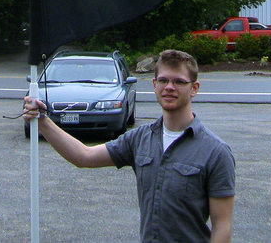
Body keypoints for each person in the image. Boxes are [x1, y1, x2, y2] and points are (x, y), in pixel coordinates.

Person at [23, 48, 235, 243]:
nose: (169, 87)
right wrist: (43, 120)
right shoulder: (140, 139)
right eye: (163, 80)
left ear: (194, 88)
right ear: (154, 85)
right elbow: (84, 156)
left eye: (179, 82)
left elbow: (222, 226)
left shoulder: (216, 152)